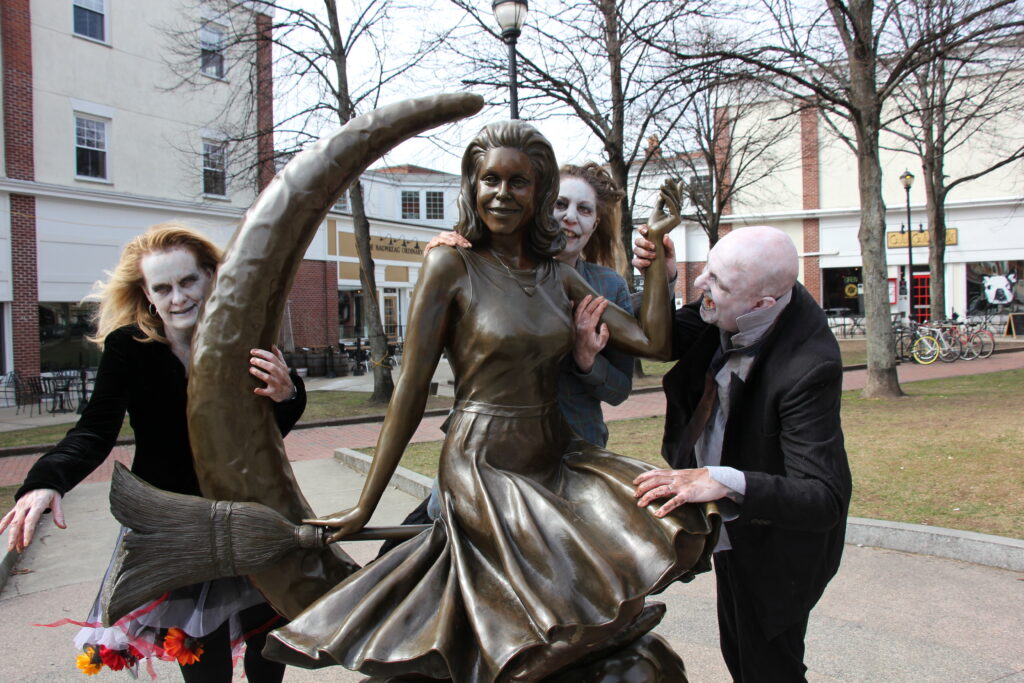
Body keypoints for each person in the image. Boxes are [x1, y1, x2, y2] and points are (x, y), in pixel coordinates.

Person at [262, 121, 716, 682]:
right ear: (472, 187)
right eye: (490, 180)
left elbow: (655, 342)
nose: (503, 193)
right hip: (483, 462)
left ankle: (587, 642)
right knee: (545, 598)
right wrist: (365, 503)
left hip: (556, 454)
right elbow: (408, 392)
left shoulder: (557, 275)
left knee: (668, 515)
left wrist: (651, 264)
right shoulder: (450, 265)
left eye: (519, 182)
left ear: (539, 192)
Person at [0, 224, 305, 682]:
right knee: (202, 661)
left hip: (250, 514)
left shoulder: (245, 339)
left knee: (270, 650)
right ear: (147, 293)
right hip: (175, 526)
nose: (177, 297)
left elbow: (267, 433)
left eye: (188, 282)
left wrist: (287, 395)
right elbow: (93, 430)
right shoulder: (129, 349)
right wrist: (46, 480)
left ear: (211, 279)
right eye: (163, 287)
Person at [631, 225, 852, 681]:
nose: (701, 288)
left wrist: (724, 480)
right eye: (707, 272)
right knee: (741, 655)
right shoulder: (738, 301)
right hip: (734, 529)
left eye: (716, 284)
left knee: (768, 667)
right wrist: (662, 280)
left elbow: (823, 498)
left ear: (761, 305)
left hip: (777, 547)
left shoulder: (809, 365)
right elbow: (665, 339)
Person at [425, 161, 633, 447]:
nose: (570, 217)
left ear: (595, 223)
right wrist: (444, 261)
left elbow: (620, 391)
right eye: (560, 204)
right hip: (485, 446)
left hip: (576, 447)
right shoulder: (483, 270)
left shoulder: (609, 288)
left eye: (584, 209)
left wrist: (588, 362)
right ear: (539, 208)